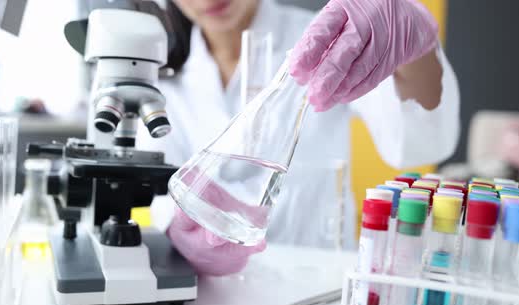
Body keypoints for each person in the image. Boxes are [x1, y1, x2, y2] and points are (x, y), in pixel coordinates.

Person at [137, 0, 460, 276]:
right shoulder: (160, 67)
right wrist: (180, 231)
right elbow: (158, 187)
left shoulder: (333, 39)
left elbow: (420, 143)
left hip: (318, 274)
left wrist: (418, 53)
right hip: (210, 288)